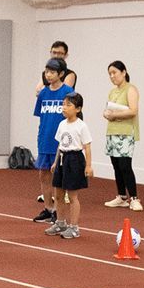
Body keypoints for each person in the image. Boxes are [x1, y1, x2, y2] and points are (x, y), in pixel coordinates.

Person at [29, 62, 75, 224]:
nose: (48, 75)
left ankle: (58, 211)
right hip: (44, 139)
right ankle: (48, 208)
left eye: (52, 72)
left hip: (61, 142)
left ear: (61, 74)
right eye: (46, 72)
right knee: (44, 174)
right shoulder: (43, 93)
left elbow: (74, 117)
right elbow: (41, 116)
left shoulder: (68, 92)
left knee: (58, 177)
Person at [46, 92, 93, 240]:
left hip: (75, 160)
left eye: (68, 105)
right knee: (58, 195)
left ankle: (74, 227)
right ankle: (60, 223)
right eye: (63, 104)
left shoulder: (81, 126)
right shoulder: (62, 124)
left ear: (78, 109)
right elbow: (60, 145)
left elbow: (87, 147)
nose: (64, 107)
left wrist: (88, 166)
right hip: (62, 159)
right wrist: (55, 162)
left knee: (72, 196)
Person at [103, 60, 142, 211]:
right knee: (116, 166)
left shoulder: (131, 89)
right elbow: (108, 109)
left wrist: (114, 114)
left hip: (126, 132)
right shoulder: (112, 92)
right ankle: (121, 196)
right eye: (110, 74)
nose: (112, 76)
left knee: (125, 166)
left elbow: (133, 110)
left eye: (114, 72)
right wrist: (107, 113)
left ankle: (134, 198)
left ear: (124, 72)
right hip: (112, 131)